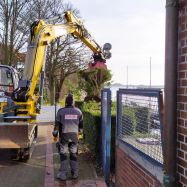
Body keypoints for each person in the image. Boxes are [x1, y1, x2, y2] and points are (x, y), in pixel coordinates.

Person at [53, 93, 83, 180]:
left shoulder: (60, 111)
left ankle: (63, 174)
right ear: (73, 102)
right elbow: (81, 127)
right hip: (74, 137)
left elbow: (57, 126)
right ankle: (75, 174)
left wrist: (55, 135)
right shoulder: (79, 111)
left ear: (65, 102)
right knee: (73, 154)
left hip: (64, 136)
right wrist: (79, 136)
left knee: (63, 154)